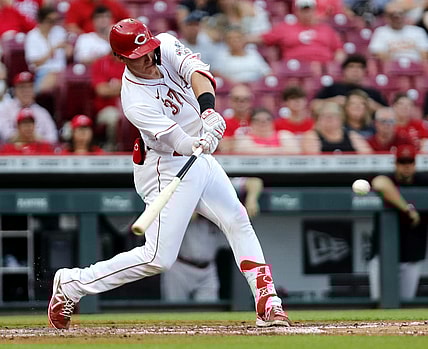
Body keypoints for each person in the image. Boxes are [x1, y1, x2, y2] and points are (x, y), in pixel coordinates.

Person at [47, 18, 291, 329]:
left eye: (147, 50)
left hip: (197, 155)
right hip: (165, 164)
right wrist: (201, 139)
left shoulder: (164, 43)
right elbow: (180, 143)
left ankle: (267, 300)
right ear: (120, 58)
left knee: (236, 218)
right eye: (137, 56)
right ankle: (72, 284)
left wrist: (208, 112)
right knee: (157, 258)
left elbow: (199, 74)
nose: (147, 58)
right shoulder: (134, 100)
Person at [162, 177, 264, 302]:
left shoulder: (216, 184)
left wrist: (251, 199)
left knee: (209, 309)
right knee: (174, 311)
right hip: (180, 266)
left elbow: (255, 182)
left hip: (208, 268)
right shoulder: (183, 187)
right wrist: (186, 211)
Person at [368, 144, 428, 300]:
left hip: (412, 254)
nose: (406, 167)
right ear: (396, 164)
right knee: (380, 301)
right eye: (402, 162)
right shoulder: (389, 178)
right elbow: (379, 183)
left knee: (406, 303)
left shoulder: (423, 180)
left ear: (415, 164)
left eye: (410, 163)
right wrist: (407, 209)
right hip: (383, 254)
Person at [248, 0, 345, 65]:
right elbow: (265, 38)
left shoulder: (326, 29)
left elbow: (339, 50)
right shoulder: (285, 27)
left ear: (314, 10)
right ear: (297, 11)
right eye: (303, 10)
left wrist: (335, 66)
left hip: (323, 67)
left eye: (309, 10)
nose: (307, 13)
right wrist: (243, 39)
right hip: (294, 68)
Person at [311, 54, 388, 113]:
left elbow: (389, 113)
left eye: (360, 67)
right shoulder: (332, 89)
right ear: (344, 70)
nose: (355, 70)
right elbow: (313, 106)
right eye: (351, 67)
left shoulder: (372, 93)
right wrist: (334, 101)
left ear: (365, 71)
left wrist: (372, 106)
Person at [24, 6, 73, 94]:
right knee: (54, 77)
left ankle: (32, 95)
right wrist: (53, 50)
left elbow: (68, 52)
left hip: (61, 70)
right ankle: (33, 94)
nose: (53, 23)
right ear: (41, 20)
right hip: (42, 72)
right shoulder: (32, 36)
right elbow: (35, 62)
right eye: (50, 20)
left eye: (55, 20)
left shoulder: (59, 31)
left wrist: (68, 49)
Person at [0, 71, 58, 144]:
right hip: (11, 152)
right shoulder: (4, 108)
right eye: (22, 87)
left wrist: (38, 139)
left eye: (29, 87)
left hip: (37, 152)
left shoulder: (42, 112)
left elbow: (53, 138)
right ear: (15, 90)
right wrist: (30, 137)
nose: (26, 91)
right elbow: (6, 135)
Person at [301, 101, 372, 153]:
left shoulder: (351, 136)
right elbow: (312, 159)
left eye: (333, 116)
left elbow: (367, 155)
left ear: (341, 119)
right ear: (318, 119)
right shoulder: (312, 136)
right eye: (325, 116)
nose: (329, 119)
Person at [90, 52, 125, 150]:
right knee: (113, 116)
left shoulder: (133, 61)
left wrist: (115, 87)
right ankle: (112, 148)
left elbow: (139, 88)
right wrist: (126, 86)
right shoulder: (101, 63)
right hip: (106, 109)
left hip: (129, 105)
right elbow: (102, 91)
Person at [233, 107, 300, 154]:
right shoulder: (245, 139)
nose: (263, 123)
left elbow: (294, 151)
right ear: (251, 123)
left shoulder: (285, 135)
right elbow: (245, 151)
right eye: (257, 120)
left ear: (273, 122)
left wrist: (262, 150)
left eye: (267, 119)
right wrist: (278, 150)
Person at [218, 83, 255, 152]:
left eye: (245, 99)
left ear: (250, 101)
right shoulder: (224, 123)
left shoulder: (258, 120)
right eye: (236, 99)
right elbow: (223, 147)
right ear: (230, 101)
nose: (240, 103)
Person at [64, 0, 130, 34]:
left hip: (113, 40)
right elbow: (71, 27)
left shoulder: (112, 4)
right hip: (88, 43)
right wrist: (92, 36)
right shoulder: (76, 5)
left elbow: (128, 22)